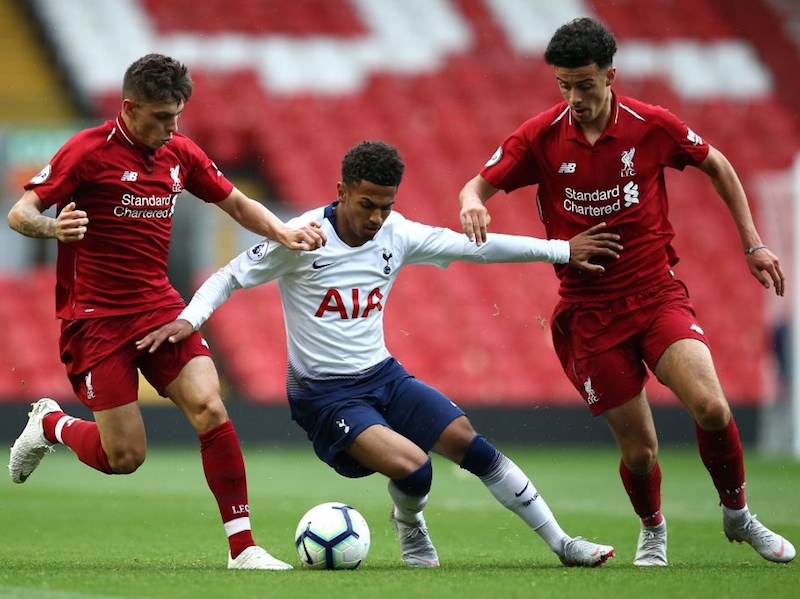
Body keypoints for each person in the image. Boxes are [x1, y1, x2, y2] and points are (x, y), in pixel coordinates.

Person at [137, 139, 621, 568]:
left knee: (473, 445)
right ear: (342, 190)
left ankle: (563, 545)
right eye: (367, 204)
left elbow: (477, 247)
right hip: (324, 395)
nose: (375, 218)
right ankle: (411, 524)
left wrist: (561, 250)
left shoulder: (396, 233)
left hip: (384, 377)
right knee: (416, 467)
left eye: (385, 207)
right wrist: (190, 318)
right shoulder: (302, 237)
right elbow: (229, 276)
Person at [457, 17, 795, 566]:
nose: (575, 98)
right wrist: (473, 202)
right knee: (640, 451)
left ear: (611, 75)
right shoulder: (540, 136)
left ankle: (738, 515)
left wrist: (752, 243)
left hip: (656, 293)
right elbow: (476, 184)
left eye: (585, 84)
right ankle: (653, 528)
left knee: (710, 406)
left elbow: (718, 164)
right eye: (564, 85)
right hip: (589, 313)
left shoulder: (650, 125)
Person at [6, 53, 327, 570]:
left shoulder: (181, 152)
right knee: (125, 458)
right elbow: (20, 213)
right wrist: (52, 229)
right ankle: (51, 426)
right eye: (161, 117)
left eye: (177, 115)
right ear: (130, 108)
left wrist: (284, 231)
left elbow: (237, 204)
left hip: (157, 306)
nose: (172, 127)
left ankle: (243, 549)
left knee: (210, 406)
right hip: (95, 319)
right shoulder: (86, 152)